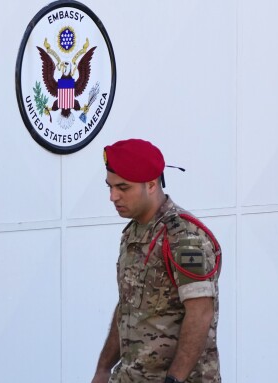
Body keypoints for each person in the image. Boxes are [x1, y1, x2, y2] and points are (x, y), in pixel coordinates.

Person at [92, 139, 222, 383]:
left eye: (123, 187)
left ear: (151, 184)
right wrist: (103, 368)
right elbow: (127, 306)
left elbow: (201, 313)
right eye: (109, 187)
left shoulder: (184, 237)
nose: (113, 196)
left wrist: (174, 380)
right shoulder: (135, 231)